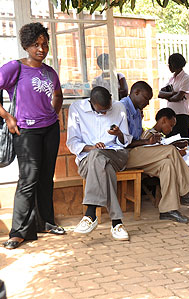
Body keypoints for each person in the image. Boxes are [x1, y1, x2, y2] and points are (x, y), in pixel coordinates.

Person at [1, 22, 65, 250]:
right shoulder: (14, 68)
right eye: (36, 45)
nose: (41, 49)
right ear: (26, 45)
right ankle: (18, 231)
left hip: (50, 129)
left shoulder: (49, 72)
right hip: (26, 131)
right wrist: (8, 117)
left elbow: (58, 94)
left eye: (44, 44)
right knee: (29, 178)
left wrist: (52, 114)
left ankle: (46, 222)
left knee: (47, 176)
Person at [120, 82, 189, 224]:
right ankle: (187, 192)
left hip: (137, 153)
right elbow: (123, 141)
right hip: (123, 155)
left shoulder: (137, 111)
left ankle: (168, 210)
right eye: (146, 98)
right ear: (136, 92)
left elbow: (137, 137)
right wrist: (146, 142)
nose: (147, 103)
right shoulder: (122, 108)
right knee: (170, 150)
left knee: (167, 164)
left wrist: (149, 141)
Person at [67, 86, 132, 241]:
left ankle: (90, 214)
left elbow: (126, 141)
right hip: (87, 159)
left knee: (99, 158)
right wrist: (91, 148)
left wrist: (119, 134)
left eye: (107, 110)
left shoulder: (118, 107)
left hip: (116, 154)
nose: (105, 113)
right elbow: (72, 142)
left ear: (111, 98)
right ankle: (117, 223)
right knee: (102, 165)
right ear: (91, 103)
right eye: (101, 111)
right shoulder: (76, 108)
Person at [158, 53, 189, 140]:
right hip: (170, 116)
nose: (169, 66)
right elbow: (160, 94)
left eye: (170, 64)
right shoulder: (172, 79)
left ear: (174, 64)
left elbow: (178, 97)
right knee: (170, 142)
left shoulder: (186, 78)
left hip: (181, 116)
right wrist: (173, 93)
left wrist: (169, 96)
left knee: (183, 142)